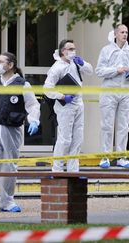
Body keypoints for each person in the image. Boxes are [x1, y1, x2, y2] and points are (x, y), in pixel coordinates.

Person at [0, 52, 40, 213]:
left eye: (0, 61)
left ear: (10, 65)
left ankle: (7, 201)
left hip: (11, 130)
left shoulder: (22, 84)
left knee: (9, 165)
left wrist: (34, 120)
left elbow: (32, 105)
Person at [44, 39, 93, 172]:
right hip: (65, 106)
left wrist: (83, 63)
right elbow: (47, 89)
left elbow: (90, 71)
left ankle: (73, 171)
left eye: (74, 49)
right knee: (65, 139)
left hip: (78, 103)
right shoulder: (56, 68)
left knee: (77, 139)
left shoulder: (75, 63)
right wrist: (62, 96)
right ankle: (57, 169)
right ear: (62, 51)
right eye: (70, 49)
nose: (73, 51)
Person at [96, 24, 129, 169]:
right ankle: (105, 156)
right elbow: (99, 71)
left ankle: (122, 156)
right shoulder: (106, 50)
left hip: (126, 90)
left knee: (124, 125)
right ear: (115, 34)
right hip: (109, 90)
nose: (125, 34)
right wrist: (117, 70)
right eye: (122, 32)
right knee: (107, 125)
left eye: (126, 32)